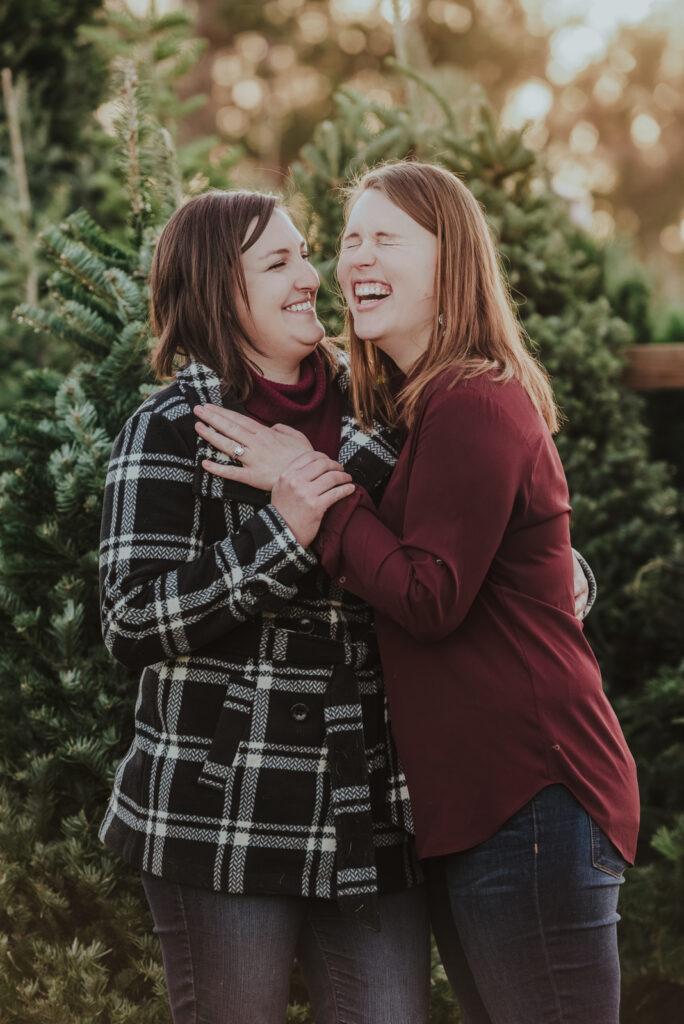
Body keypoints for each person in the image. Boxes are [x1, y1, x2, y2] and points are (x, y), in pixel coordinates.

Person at [206, 163, 639, 1024]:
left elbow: (428, 591)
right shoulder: (426, 404)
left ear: (452, 264)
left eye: (387, 238)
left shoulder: (472, 397)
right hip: (486, 810)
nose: (355, 258)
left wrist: (308, 485)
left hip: (532, 796)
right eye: (351, 240)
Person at [97, 189, 431, 1024]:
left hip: (367, 815)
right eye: (279, 263)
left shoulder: (383, 406)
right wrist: (286, 530)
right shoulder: (171, 428)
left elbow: (468, 535)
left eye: (304, 254)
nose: (313, 276)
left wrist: (561, 570)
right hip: (220, 811)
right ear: (220, 291)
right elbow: (133, 617)